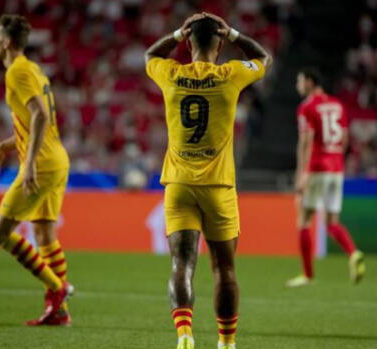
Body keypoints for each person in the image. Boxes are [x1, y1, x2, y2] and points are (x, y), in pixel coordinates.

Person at [144, 12, 272, 349]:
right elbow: (262, 58)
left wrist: (175, 33)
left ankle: (184, 335)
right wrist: (234, 34)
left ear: (188, 43)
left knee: (181, 264)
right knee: (224, 270)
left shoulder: (171, 74)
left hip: (179, 184)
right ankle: (226, 343)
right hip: (218, 187)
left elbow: (150, 56)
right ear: (218, 44)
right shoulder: (229, 75)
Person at [0, 14, 72, 325]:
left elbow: (39, 117)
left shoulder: (17, 73)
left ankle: (57, 287)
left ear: (7, 42)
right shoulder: (33, 69)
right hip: (58, 158)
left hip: (43, 164)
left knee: (0, 233)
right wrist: (5, 146)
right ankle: (58, 311)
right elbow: (34, 121)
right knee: (44, 233)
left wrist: (30, 162)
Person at [286, 67, 366, 288]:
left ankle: (307, 275)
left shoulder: (307, 107)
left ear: (310, 82)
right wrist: (336, 160)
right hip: (336, 167)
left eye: (300, 80)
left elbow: (306, 141)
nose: (298, 85)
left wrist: (302, 173)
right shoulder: (338, 105)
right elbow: (345, 138)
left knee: (303, 219)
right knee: (332, 222)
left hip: (317, 167)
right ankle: (353, 253)